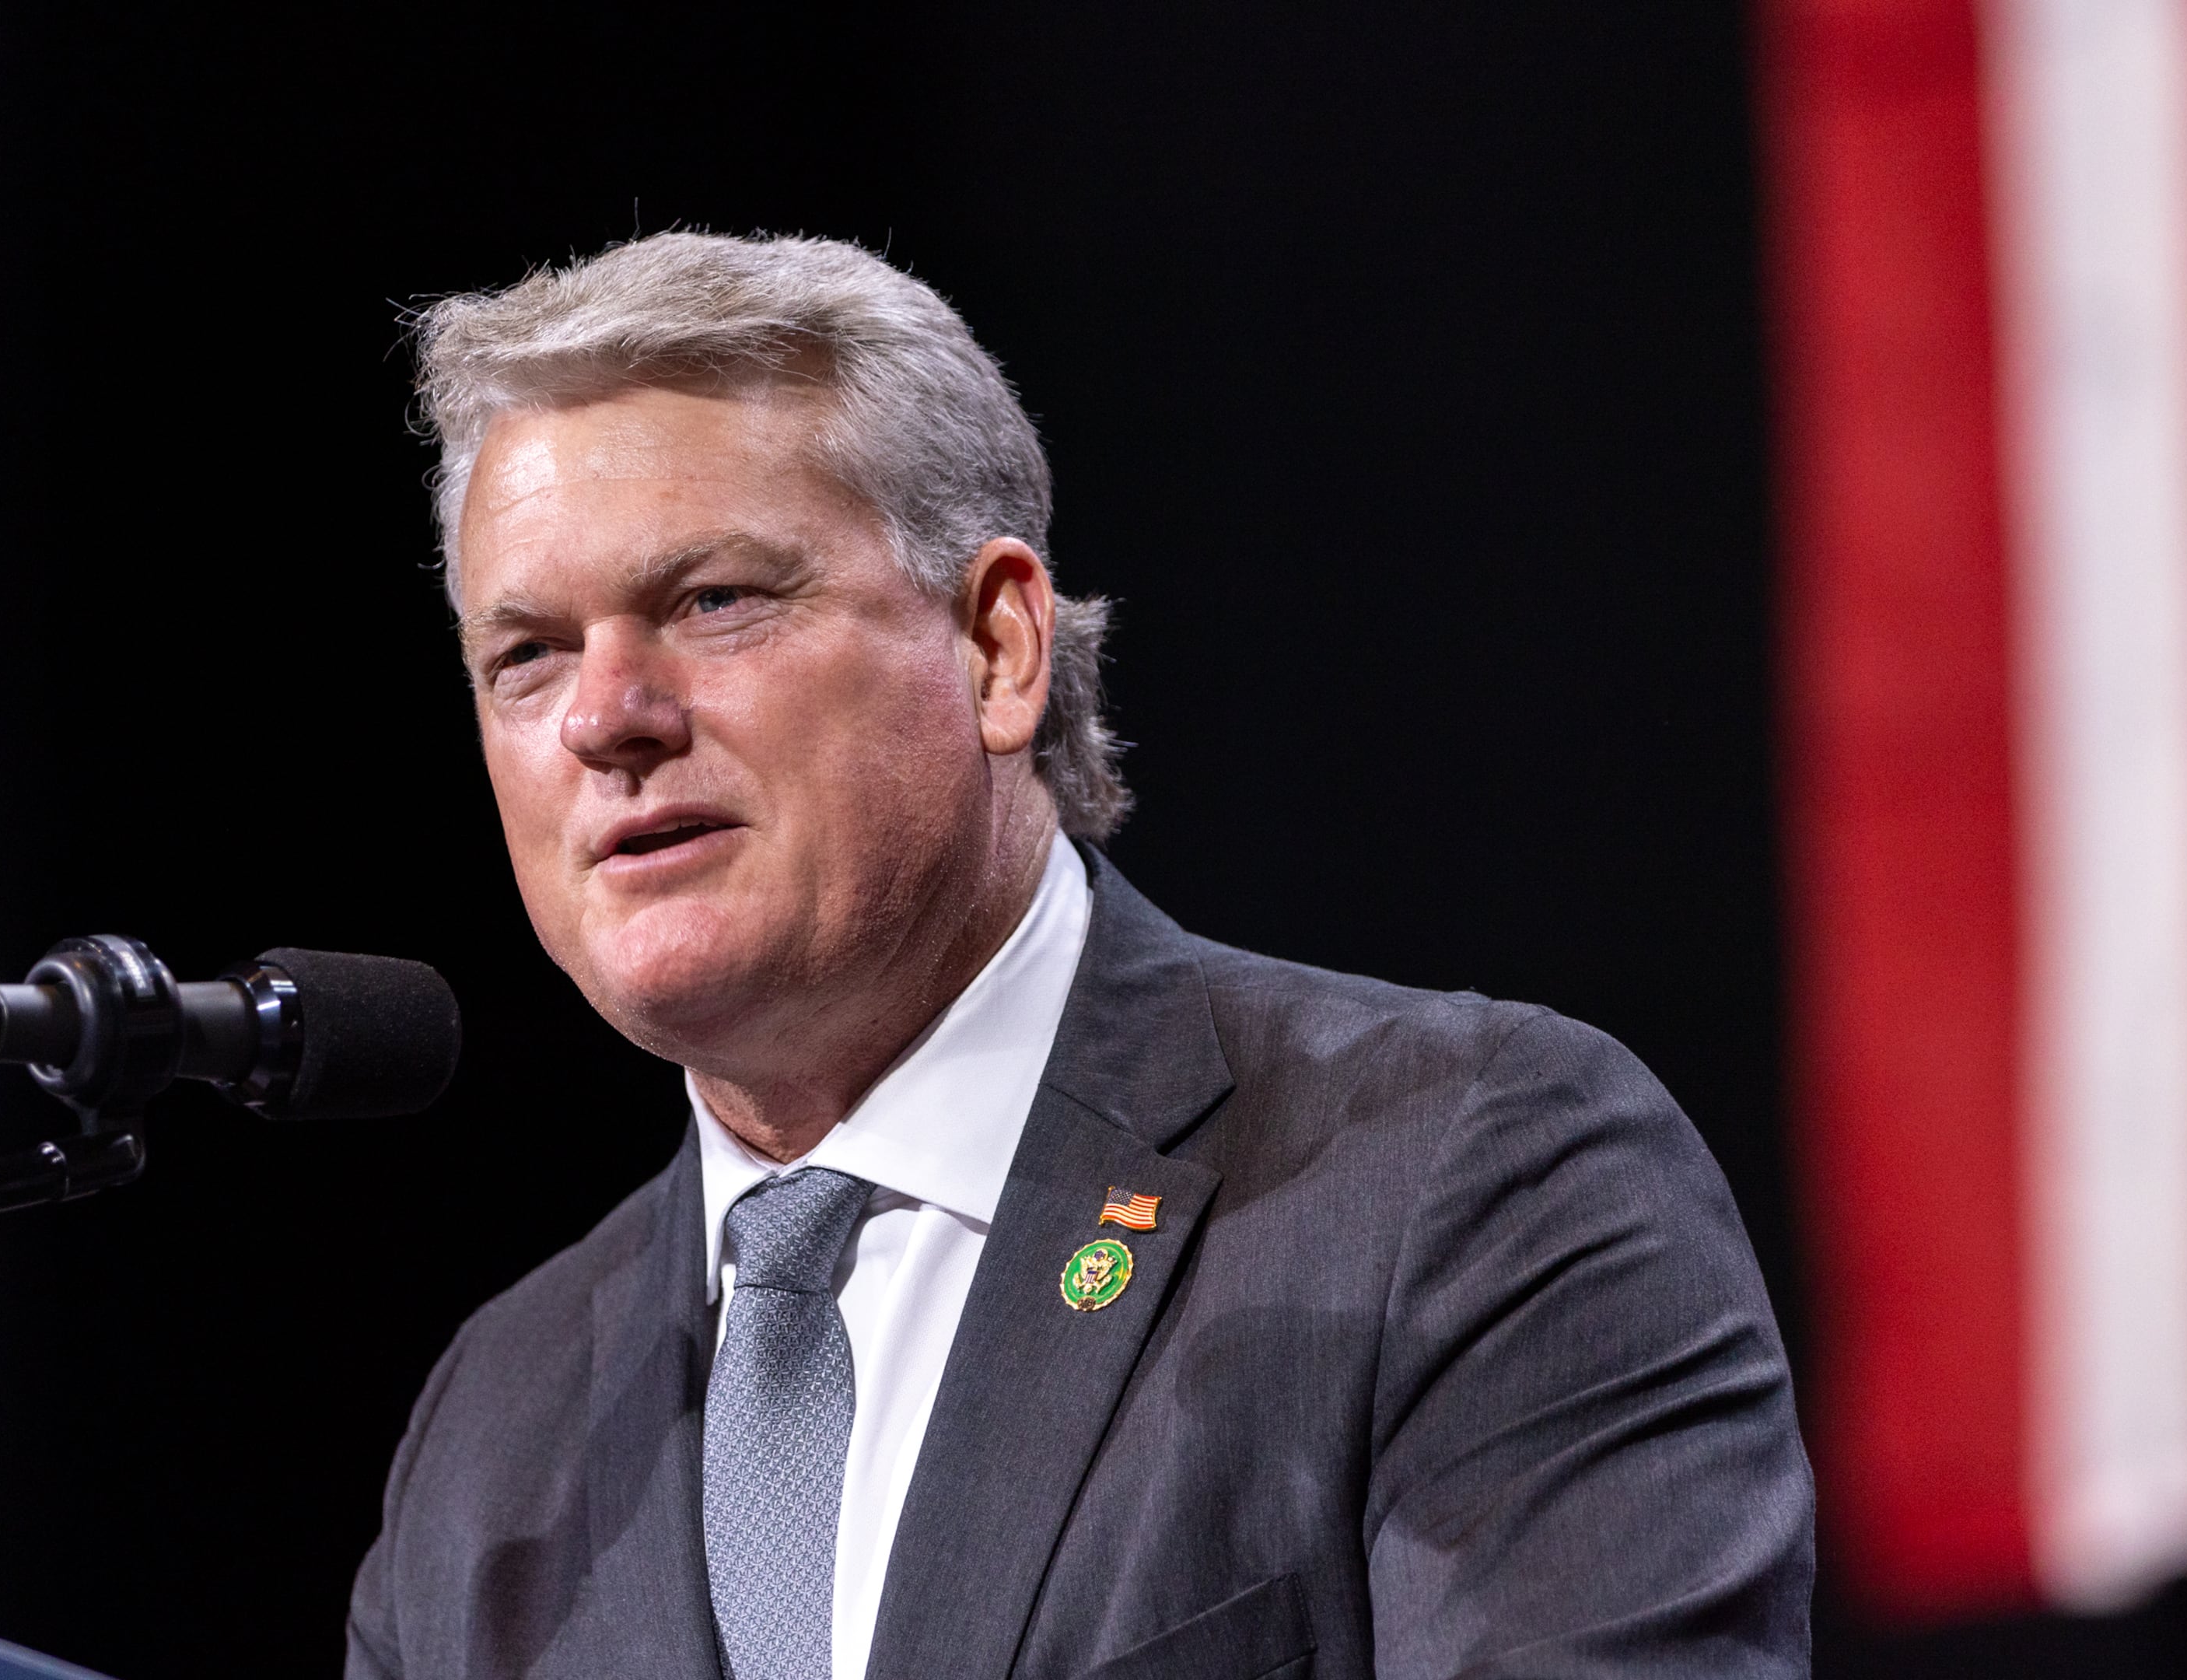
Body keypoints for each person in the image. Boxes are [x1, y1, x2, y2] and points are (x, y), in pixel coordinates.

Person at [345, 232, 1812, 1680]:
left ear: (997, 649)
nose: (605, 717)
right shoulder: (498, 1432)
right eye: (525, 654)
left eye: (713, 600)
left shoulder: (1460, 1176)